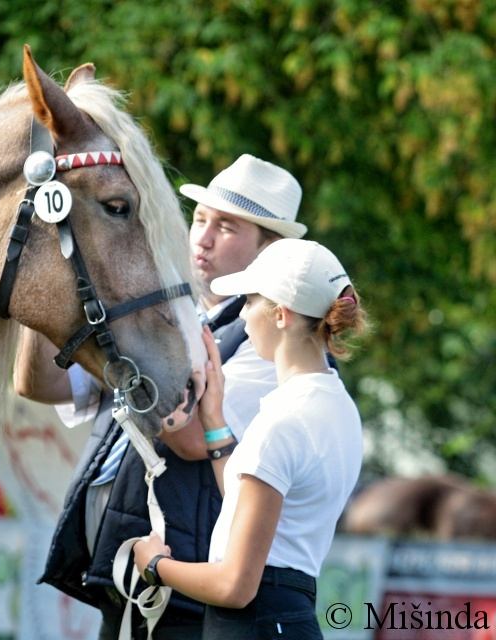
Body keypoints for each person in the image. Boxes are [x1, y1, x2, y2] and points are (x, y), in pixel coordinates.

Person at [17, 154, 307, 639]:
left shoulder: (268, 342)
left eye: (228, 228)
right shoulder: (157, 317)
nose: (203, 239)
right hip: (128, 578)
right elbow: (38, 384)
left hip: (185, 590)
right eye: (200, 219)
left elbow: (196, 440)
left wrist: (136, 366)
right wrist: (47, 278)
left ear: (270, 251)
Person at [133, 239, 368, 638]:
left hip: (253, 623)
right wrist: (215, 421)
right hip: (286, 615)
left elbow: (234, 587)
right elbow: (253, 507)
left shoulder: (284, 420)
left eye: (249, 302)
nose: (242, 316)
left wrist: (154, 565)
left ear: (281, 314)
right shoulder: (336, 404)